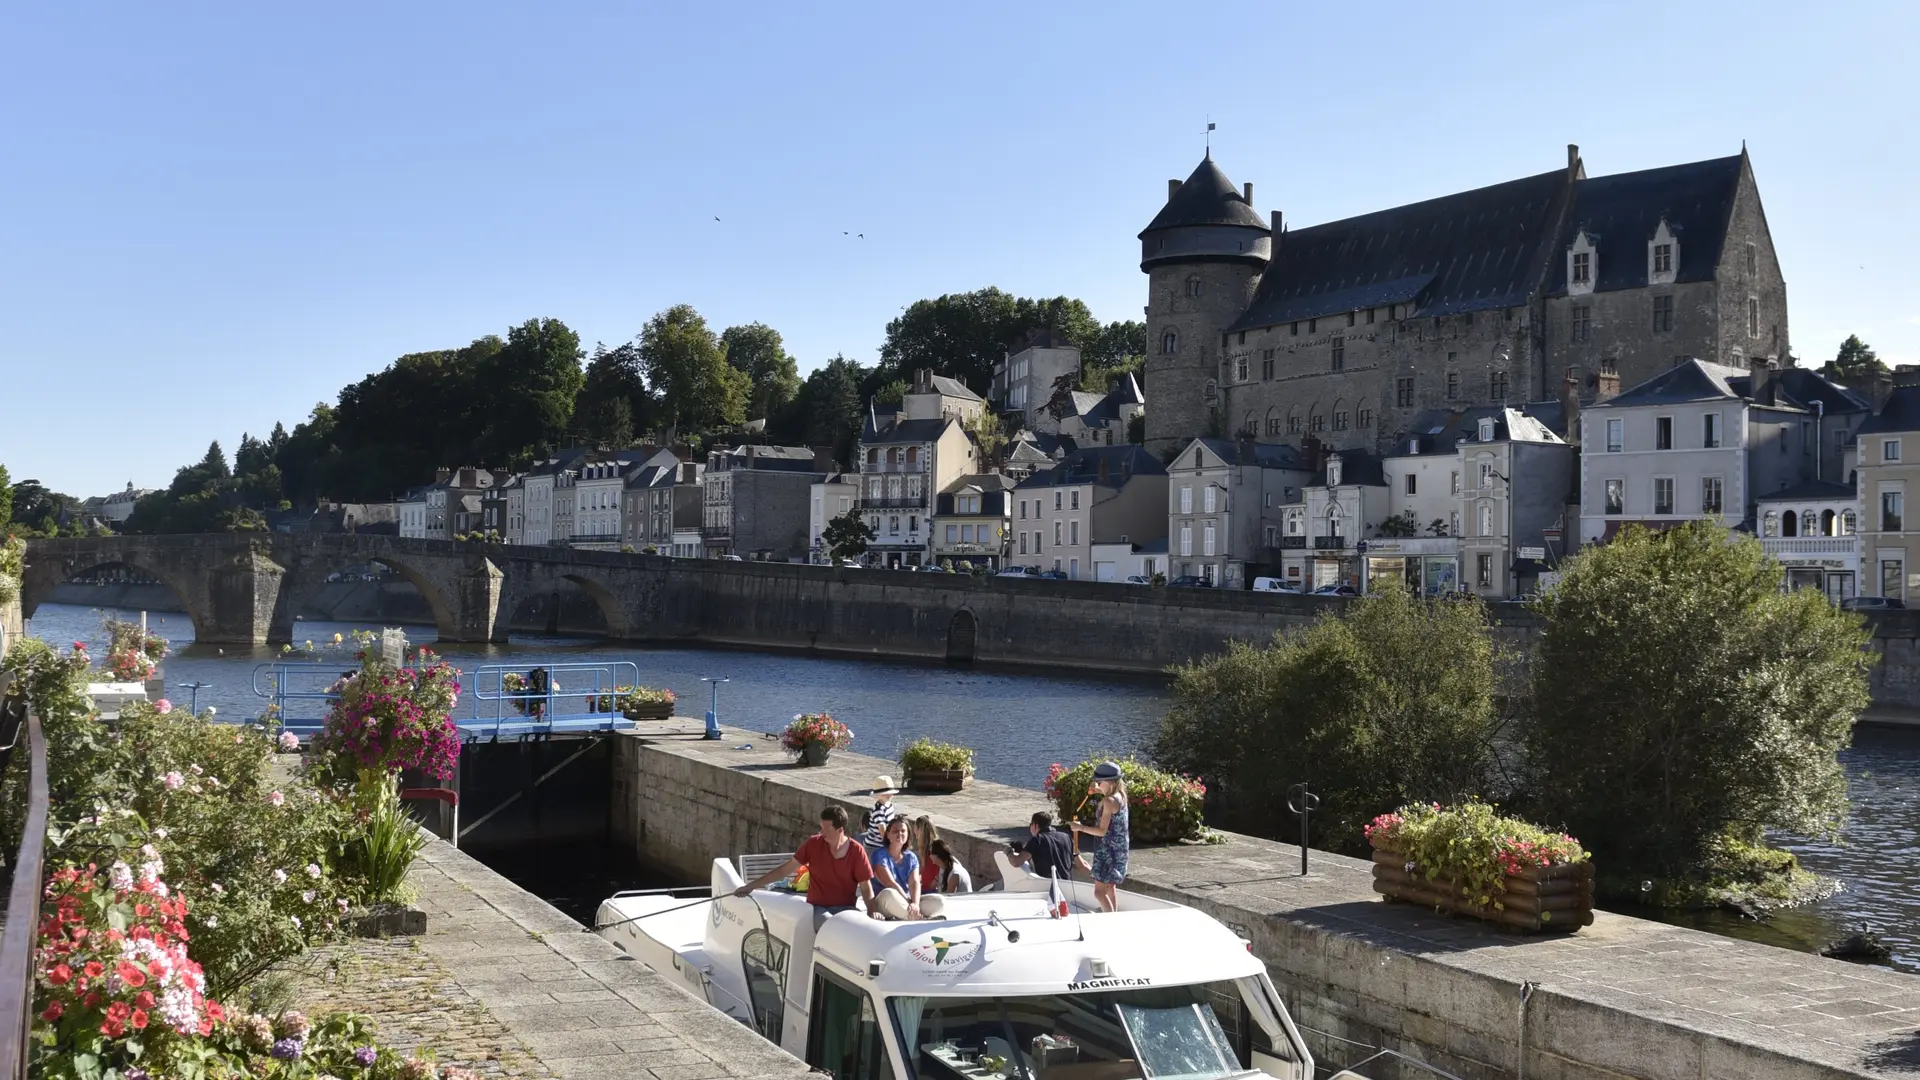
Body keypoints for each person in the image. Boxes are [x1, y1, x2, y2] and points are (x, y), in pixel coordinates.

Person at [734, 806, 882, 920]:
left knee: (854, 925)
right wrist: (750, 886)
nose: (821, 832)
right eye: (820, 828)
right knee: (827, 921)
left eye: (825, 829)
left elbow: (865, 885)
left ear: (840, 830)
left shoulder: (857, 850)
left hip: (846, 910)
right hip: (817, 908)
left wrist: (872, 910)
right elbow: (785, 870)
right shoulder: (813, 844)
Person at [1070, 761, 1130, 912]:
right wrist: (1098, 791)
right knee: (1110, 886)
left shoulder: (1108, 801)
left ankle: (1109, 921)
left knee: (1098, 892)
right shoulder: (1120, 795)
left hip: (1107, 851)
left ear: (1109, 781)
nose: (1097, 784)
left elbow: (1102, 831)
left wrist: (1080, 827)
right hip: (1119, 850)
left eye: (1099, 781)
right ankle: (1113, 917)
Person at [870, 818, 946, 920]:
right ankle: (919, 919)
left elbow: (914, 883)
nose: (899, 833)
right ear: (888, 835)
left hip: (906, 902)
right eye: (895, 831)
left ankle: (911, 915)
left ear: (908, 834)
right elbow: (890, 883)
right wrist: (908, 902)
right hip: (885, 902)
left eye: (903, 831)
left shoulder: (911, 857)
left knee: (940, 901)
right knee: (889, 893)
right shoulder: (879, 855)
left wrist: (915, 904)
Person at [1006, 811, 1074, 881]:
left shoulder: (1037, 839)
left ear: (1034, 825)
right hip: (1067, 884)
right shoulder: (1067, 837)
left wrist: (1008, 852)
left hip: (1046, 886)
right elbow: (1082, 865)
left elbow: (1016, 862)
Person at [858, 775, 902, 853]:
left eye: (890, 793)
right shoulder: (878, 810)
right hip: (874, 846)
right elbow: (882, 831)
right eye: (885, 794)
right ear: (877, 795)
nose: (889, 795)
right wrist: (890, 845)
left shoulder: (889, 805)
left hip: (883, 843)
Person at [910, 815, 941, 893]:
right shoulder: (923, 847)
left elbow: (944, 865)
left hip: (932, 888)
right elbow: (924, 867)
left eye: (915, 828)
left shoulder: (935, 846)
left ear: (920, 830)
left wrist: (935, 880)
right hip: (924, 885)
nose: (914, 831)